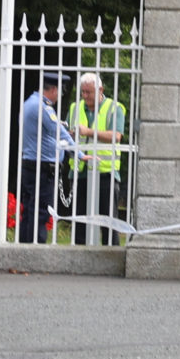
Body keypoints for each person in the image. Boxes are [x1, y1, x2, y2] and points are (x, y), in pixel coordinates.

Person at [65, 72, 128, 245]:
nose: (85, 96)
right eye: (83, 92)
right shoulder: (74, 108)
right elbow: (67, 136)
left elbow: (116, 136)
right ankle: (79, 255)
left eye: (89, 92)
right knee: (80, 220)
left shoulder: (114, 108)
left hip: (105, 172)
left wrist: (88, 132)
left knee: (108, 221)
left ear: (100, 90)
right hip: (80, 172)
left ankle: (111, 253)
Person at [17, 71, 72, 244]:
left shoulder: (29, 103)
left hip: (30, 165)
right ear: (54, 90)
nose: (60, 96)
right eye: (60, 91)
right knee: (40, 212)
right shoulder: (43, 107)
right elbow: (60, 133)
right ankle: (35, 250)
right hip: (42, 169)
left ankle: (24, 247)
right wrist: (79, 153)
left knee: (28, 211)